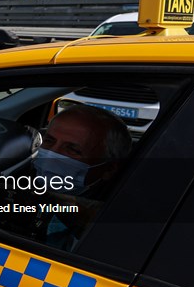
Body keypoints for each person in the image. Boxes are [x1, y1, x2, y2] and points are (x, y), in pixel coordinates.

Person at [32, 102, 132, 248]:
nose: (51, 155)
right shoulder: (21, 181)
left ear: (109, 169)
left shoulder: (114, 222)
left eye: (73, 150)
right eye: (49, 141)